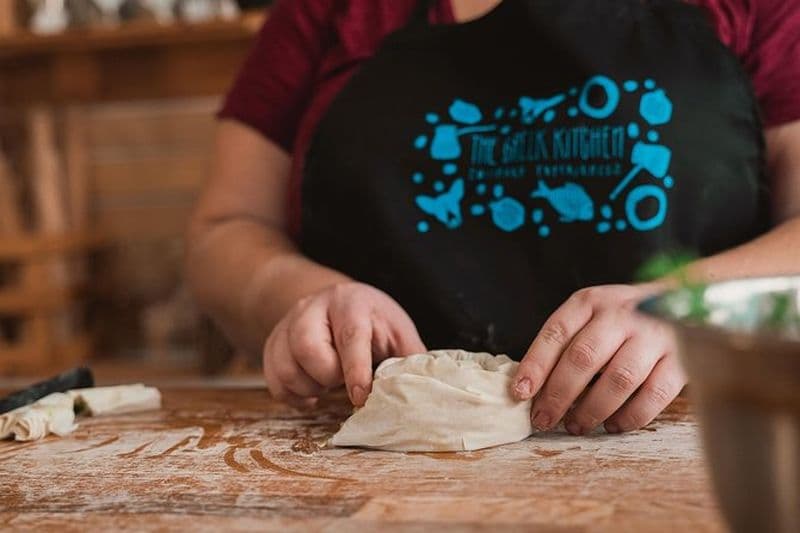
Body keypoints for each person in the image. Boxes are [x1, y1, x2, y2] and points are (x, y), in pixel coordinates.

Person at [187, 0, 800, 436]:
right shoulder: (327, 12)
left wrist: (689, 307)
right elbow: (225, 227)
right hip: (375, 442)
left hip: (703, 440)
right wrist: (299, 294)